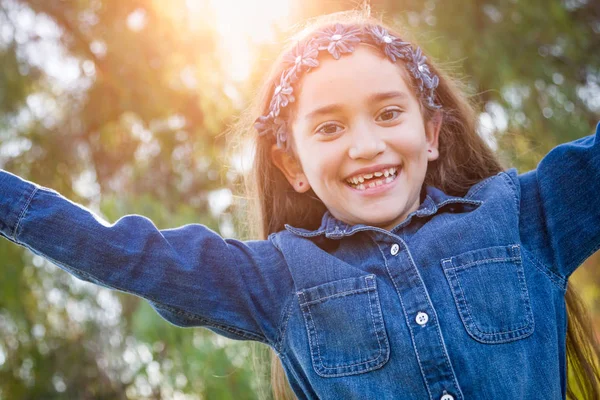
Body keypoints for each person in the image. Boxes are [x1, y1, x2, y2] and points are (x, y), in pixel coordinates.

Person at [1, 9, 599, 400]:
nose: (367, 146)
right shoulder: (278, 281)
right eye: (329, 128)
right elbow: (126, 254)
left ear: (432, 131)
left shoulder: (523, 217)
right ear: (293, 166)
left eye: (390, 113)